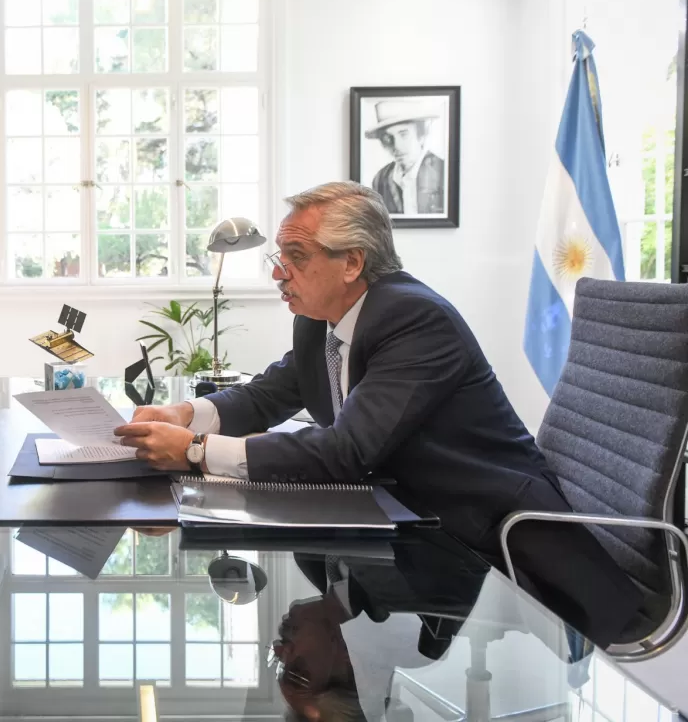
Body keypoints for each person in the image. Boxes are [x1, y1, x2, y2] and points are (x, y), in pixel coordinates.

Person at [114, 181, 642, 647]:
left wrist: (196, 452)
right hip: (403, 520)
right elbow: (268, 395)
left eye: (295, 256)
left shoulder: (415, 319)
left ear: (352, 262)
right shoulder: (321, 317)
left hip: (491, 542)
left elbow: (346, 452)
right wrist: (187, 413)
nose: (279, 273)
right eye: (279, 256)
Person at [364, 100, 444, 215]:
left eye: (404, 134)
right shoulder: (381, 179)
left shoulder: (442, 172)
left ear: (421, 135)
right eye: (388, 138)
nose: (397, 146)